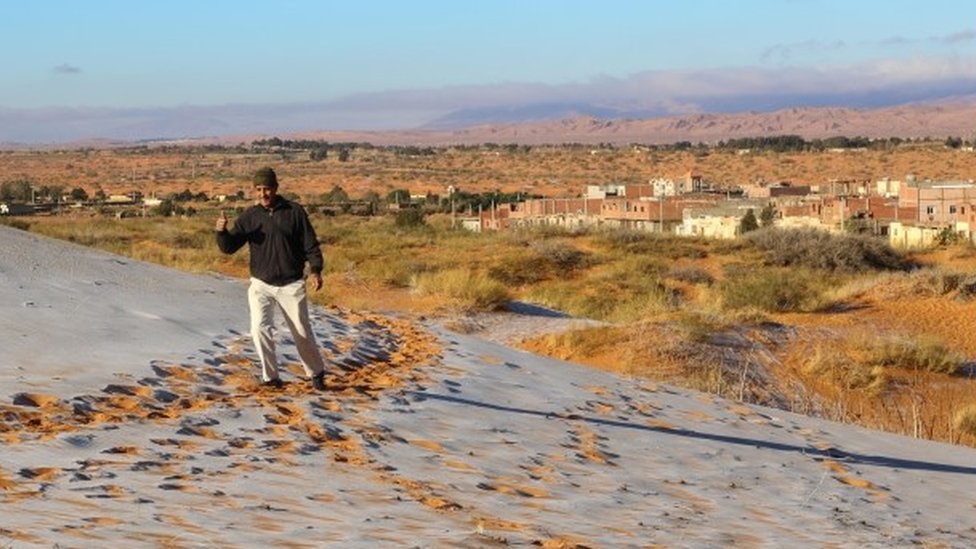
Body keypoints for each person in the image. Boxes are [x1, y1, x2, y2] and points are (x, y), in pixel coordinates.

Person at [215, 167, 327, 391]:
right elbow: (229, 248)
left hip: (291, 282)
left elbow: (310, 245)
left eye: (267, 189)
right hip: (261, 284)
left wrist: (315, 269)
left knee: (301, 331)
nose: (263, 194)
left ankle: (316, 373)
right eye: (258, 189)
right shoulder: (250, 217)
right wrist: (221, 232)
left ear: (276, 188)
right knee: (259, 329)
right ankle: (271, 378)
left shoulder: (294, 212)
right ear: (254, 191)